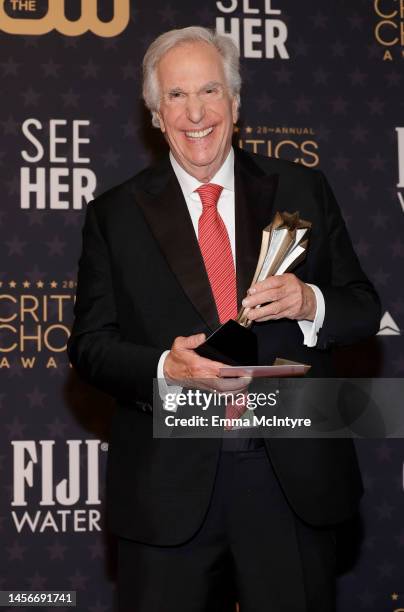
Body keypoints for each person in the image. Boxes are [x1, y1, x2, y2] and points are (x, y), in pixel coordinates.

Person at [67, 26, 381, 612]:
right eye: (177, 97)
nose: (196, 113)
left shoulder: (302, 189)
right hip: (168, 492)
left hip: (291, 480)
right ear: (156, 116)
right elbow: (90, 347)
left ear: (235, 104)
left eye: (210, 91)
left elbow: (363, 307)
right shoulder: (114, 215)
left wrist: (310, 302)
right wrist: (167, 368)